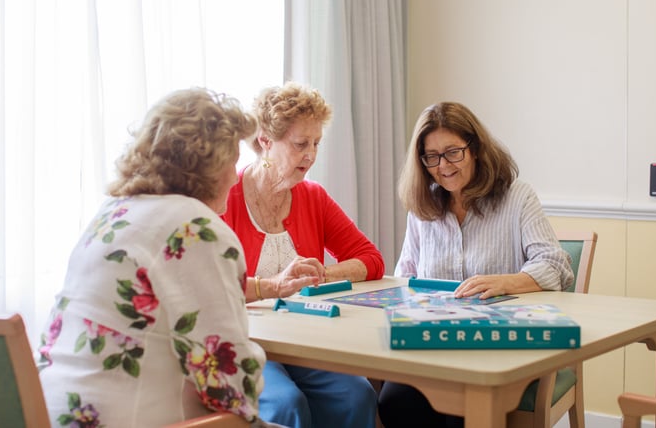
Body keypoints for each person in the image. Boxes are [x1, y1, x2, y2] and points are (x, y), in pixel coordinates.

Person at [37, 88, 319, 428]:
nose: (234, 177)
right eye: (231, 162)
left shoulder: (112, 214)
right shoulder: (197, 230)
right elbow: (234, 389)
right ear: (209, 166)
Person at [377, 101, 574, 428]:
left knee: (461, 406)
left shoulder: (517, 197)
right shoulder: (423, 209)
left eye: (453, 152)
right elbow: (405, 277)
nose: (444, 166)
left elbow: (556, 265)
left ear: (476, 148)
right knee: (393, 401)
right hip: (434, 346)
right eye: (432, 157)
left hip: (499, 346)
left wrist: (506, 282)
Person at [221, 81, 385, 428]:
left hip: (303, 341)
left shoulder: (313, 196)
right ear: (265, 140)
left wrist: (324, 275)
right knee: (287, 404)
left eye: (316, 144)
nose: (310, 154)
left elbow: (371, 258)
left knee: (358, 394)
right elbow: (211, 286)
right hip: (243, 341)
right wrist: (271, 284)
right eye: (300, 144)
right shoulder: (225, 197)